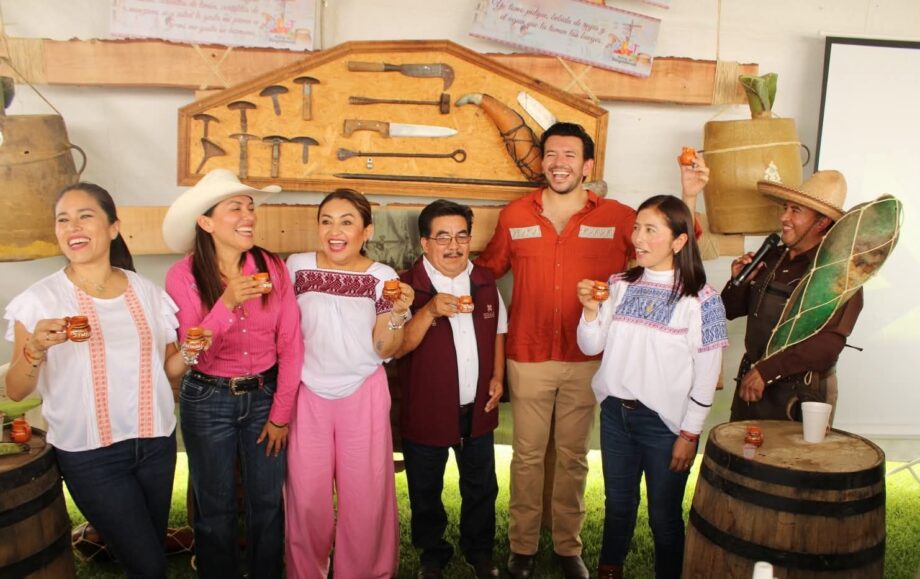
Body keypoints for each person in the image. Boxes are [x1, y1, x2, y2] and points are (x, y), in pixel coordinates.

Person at [475, 122, 710, 578]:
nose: (558, 163)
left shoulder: (618, 217)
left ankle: (568, 547)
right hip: (528, 354)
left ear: (587, 166)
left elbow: (679, 236)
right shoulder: (514, 215)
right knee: (526, 457)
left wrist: (689, 194)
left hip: (590, 359)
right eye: (551, 154)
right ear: (541, 162)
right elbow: (488, 269)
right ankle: (522, 548)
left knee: (572, 456)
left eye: (569, 155)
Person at [5, 182, 184, 578]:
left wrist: (194, 351)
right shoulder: (39, 300)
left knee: (148, 550)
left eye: (85, 216)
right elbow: (16, 390)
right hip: (90, 454)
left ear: (113, 227)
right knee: (149, 566)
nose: (73, 227)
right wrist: (35, 348)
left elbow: (167, 367)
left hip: (156, 443)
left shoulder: (147, 293)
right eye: (63, 220)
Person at [576, 194, 728, 579]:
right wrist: (590, 310)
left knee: (664, 515)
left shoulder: (702, 300)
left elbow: (707, 373)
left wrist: (689, 434)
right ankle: (609, 570)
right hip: (616, 415)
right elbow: (590, 346)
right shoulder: (619, 285)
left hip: (666, 425)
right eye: (636, 228)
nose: (638, 238)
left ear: (679, 241)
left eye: (650, 230)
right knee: (617, 505)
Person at [162, 168, 303, 579]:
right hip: (207, 399)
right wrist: (226, 304)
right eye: (235, 208)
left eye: (250, 207)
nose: (248, 216)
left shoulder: (272, 266)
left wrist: (281, 415)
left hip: (264, 397)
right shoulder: (183, 275)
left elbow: (291, 344)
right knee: (214, 507)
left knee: (267, 502)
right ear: (206, 223)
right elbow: (190, 354)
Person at [285, 189, 413, 578]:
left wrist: (398, 313)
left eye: (347, 222)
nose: (335, 231)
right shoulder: (297, 267)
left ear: (366, 231)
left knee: (364, 497)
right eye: (326, 221)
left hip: (363, 392)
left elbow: (384, 347)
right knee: (307, 497)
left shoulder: (382, 277)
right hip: (308, 393)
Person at [394, 200, 507, 579]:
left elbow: (499, 330)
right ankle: (432, 553)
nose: (454, 246)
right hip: (426, 408)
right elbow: (396, 348)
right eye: (443, 237)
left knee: (482, 485)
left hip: (477, 407)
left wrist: (498, 376)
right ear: (425, 243)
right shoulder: (405, 286)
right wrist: (428, 312)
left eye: (461, 236)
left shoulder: (485, 281)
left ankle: (479, 551)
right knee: (425, 488)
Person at [723, 170, 863, 422]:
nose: (783, 217)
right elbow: (729, 310)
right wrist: (737, 282)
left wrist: (767, 371)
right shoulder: (771, 256)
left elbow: (829, 345)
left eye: (795, 210)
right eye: (785, 208)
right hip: (751, 384)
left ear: (821, 222)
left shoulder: (839, 274)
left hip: (802, 395)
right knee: (741, 447)